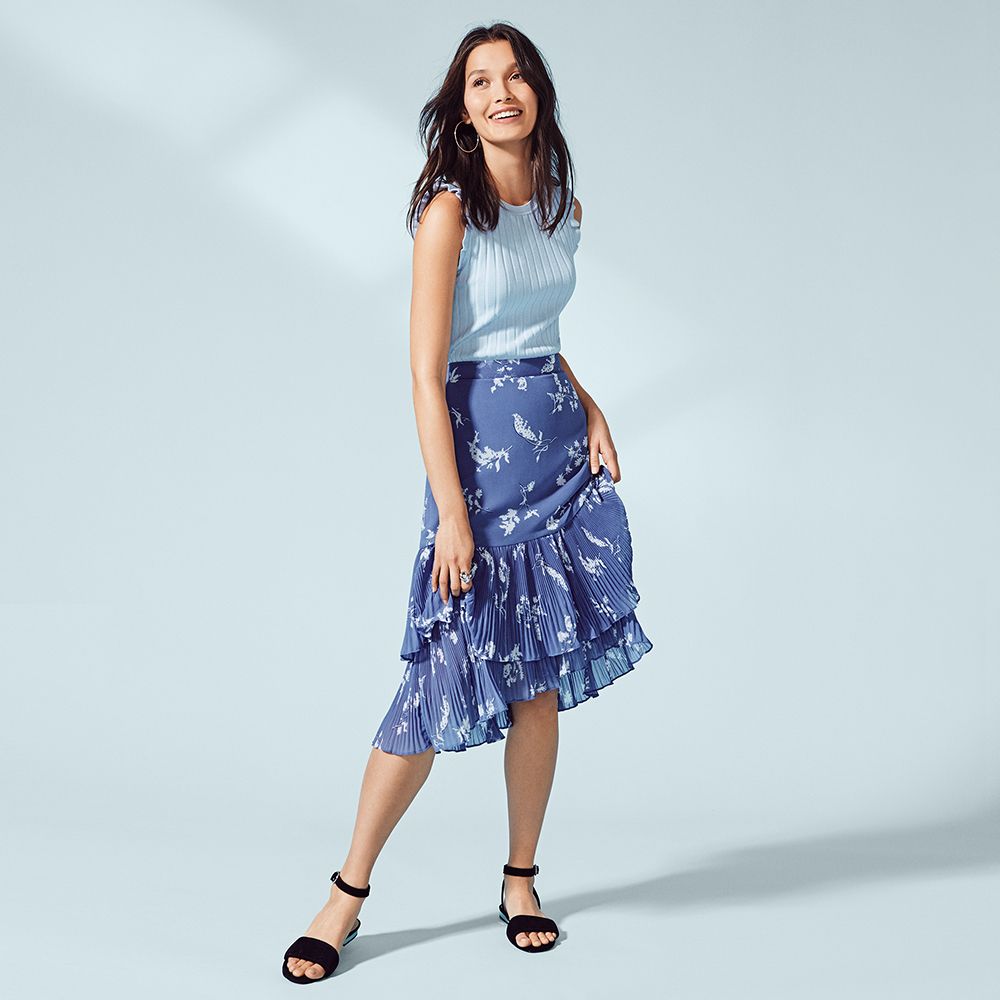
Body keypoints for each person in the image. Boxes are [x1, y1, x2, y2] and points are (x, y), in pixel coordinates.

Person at [281, 22, 653, 984]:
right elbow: (426, 371)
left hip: (559, 463)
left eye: (516, 76)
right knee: (434, 683)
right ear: (461, 108)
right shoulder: (450, 210)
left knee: (538, 683)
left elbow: (539, 331)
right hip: (480, 481)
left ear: (539, 94)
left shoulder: (562, 204)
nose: (502, 93)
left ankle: (521, 880)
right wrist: (451, 511)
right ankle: (346, 894)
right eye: (481, 81)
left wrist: (592, 404)